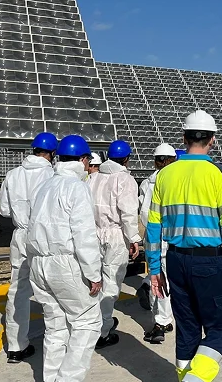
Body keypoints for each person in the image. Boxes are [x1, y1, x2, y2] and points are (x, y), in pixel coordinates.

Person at [146, 110, 222, 382]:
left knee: (187, 327)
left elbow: (153, 227)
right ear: (212, 139)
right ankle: (195, 379)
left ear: (184, 137)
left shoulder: (165, 176)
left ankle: (183, 375)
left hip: (175, 260)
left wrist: (155, 267)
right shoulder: (218, 174)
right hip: (209, 262)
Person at [26, 135, 102, 382]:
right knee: (87, 322)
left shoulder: (45, 185)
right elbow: (85, 236)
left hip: (39, 262)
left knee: (56, 327)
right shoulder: (77, 187)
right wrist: (93, 274)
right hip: (65, 263)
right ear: (83, 159)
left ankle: (51, 378)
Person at [0, 132, 57, 364]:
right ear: (52, 154)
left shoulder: (13, 175)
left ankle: (15, 345)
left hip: (20, 236)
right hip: (44, 236)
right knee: (50, 290)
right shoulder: (52, 174)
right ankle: (56, 339)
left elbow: (4, 210)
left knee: (18, 291)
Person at [89, 139, 140, 349]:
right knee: (111, 282)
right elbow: (128, 214)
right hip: (116, 235)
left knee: (94, 280)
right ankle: (104, 329)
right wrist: (134, 239)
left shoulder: (93, 177)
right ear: (126, 159)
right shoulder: (125, 180)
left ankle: (94, 322)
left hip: (94, 233)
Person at [137, 143, 177, 344]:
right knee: (166, 281)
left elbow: (144, 214)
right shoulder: (177, 181)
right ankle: (165, 320)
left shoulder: (147, 183)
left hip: (155, 240)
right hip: (174, 240)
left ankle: (161, 322)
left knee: (158, 281)